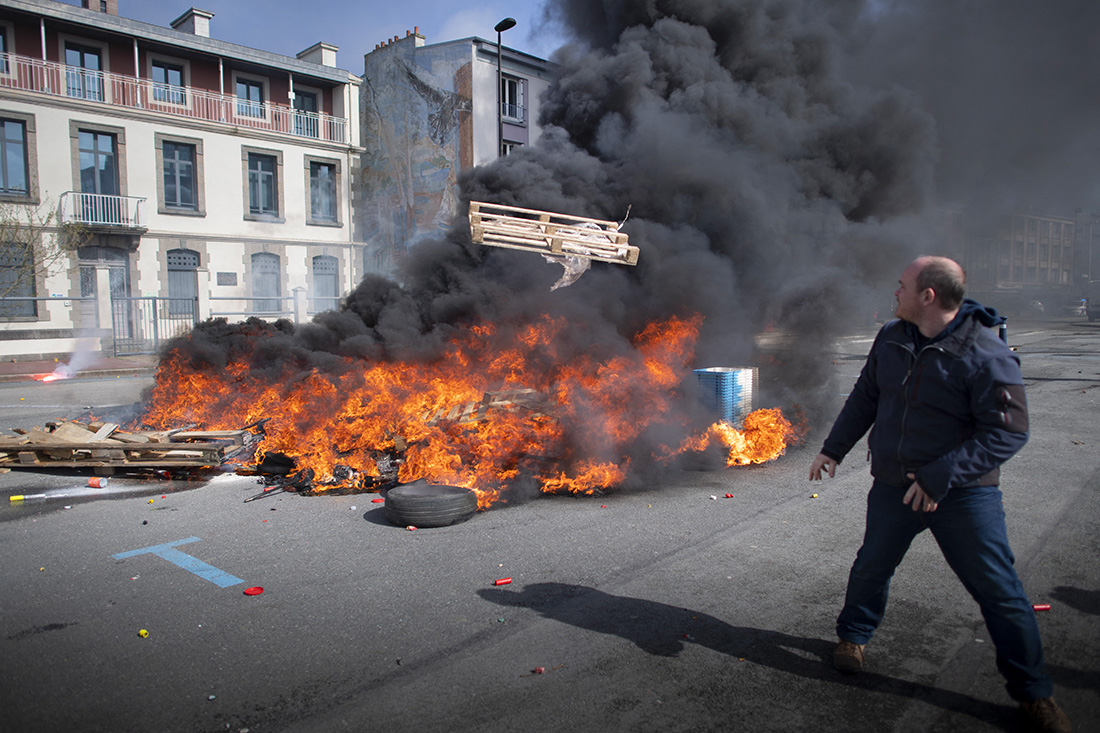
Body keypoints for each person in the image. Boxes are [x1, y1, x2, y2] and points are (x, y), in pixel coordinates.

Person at [809, 256, 1071, 733]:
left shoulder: (987, 355)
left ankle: (1035, 694)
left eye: (902, 285)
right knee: (872, 565)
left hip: (963, 496)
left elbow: (1008, 433)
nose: (895, 292)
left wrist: (940, 476)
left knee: (1000, 592)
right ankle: (853, 638)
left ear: (927, 295)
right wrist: (833, 449)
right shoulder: (891, 337)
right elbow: (867, 395)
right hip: (892, 485)